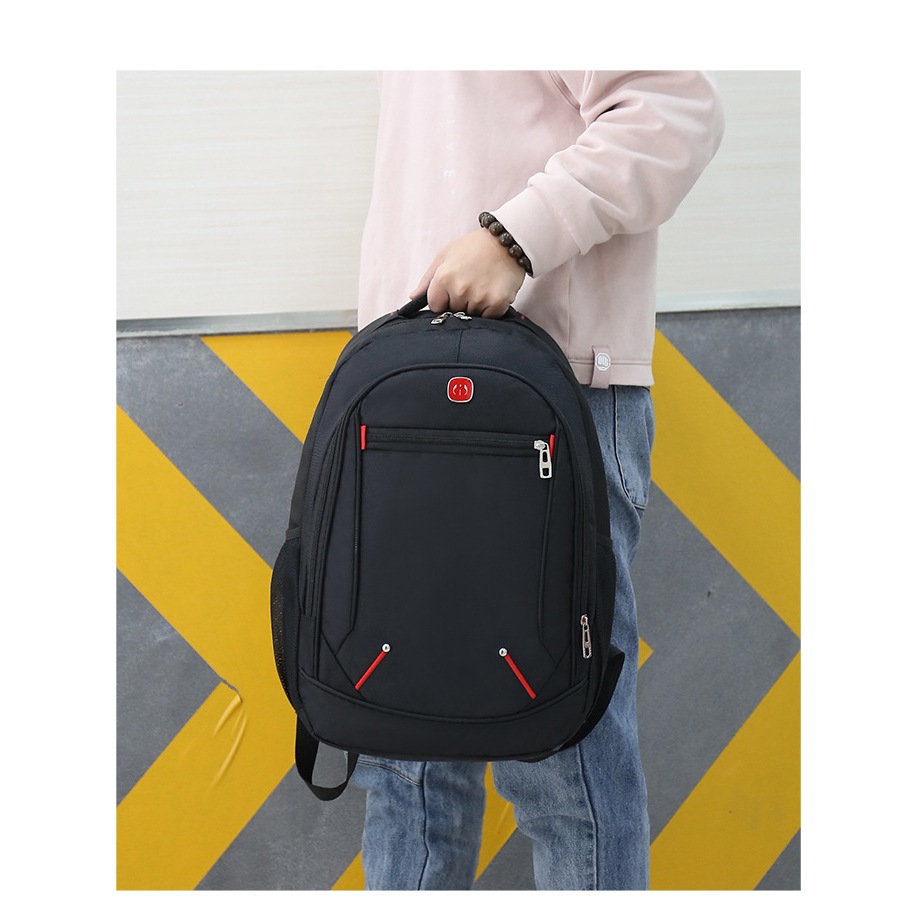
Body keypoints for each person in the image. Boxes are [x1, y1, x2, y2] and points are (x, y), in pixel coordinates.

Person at [351, 71, 724, 891]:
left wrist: (511, 240)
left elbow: (673, 114)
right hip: (405, 390)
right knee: (404, 763)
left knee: (565, 768)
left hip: (552, 392)